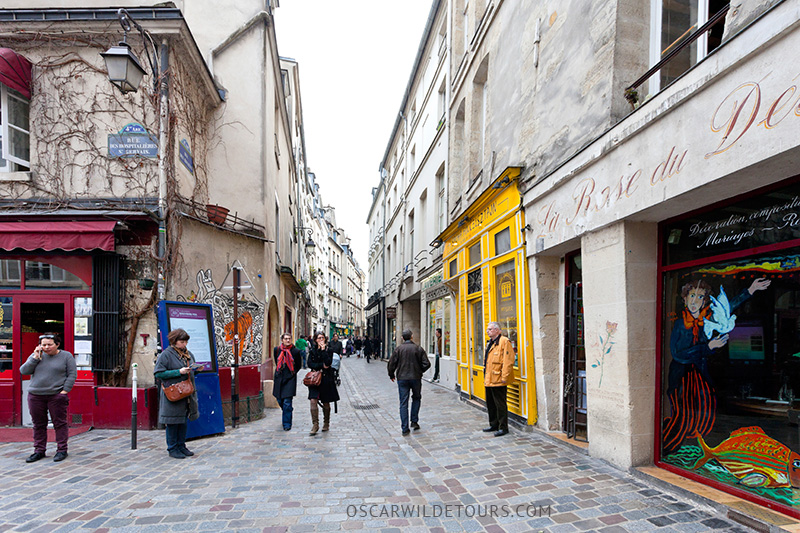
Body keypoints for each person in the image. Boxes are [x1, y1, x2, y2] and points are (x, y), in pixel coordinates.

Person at [662, 277, 770, 455]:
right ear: (684, 299)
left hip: (699, 375)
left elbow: (727, 309)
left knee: (702, 412)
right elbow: (678, 354)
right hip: (681, 377)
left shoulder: (707, 319)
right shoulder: (681, 324)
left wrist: (750, 290)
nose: (695, 301)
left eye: (700, 297)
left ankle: (687, 445)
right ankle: (667, 448)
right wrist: (708, 347)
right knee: (682, 415)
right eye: (691, 296)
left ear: (705, 300)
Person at [20, 333, 76, 463]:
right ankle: (39, 450)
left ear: (57, 344)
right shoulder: (36, 356)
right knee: (38, 424)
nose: (46, 347)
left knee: (59, 423)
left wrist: (64, 391)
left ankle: (62, 449)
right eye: (43, 344)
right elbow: (23, 371)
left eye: (49, 344)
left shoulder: (66, 356)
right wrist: (35, 357)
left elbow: (72, 374)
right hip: (35, 395)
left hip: (56, 395)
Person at [154, 328, 200, 459]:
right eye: (182, 342)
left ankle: (181, 445)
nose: (184, 344)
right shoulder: (166, 355)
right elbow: (158, 373)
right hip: (173, 393)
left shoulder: (188, 354)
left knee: (183, 421)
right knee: (173, 422)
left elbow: (191, 370)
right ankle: (172, 448)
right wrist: (178, 372)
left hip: (186, 393)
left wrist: (196, 369)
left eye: (186, 342)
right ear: (174, 341)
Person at [388, 329, 431, 436]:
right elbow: (427, 364)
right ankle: (414, 421)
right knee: (416, 398)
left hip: (402, 378)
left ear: (402, 338)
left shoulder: (398, 349)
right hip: (415, 378)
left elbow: (391, 364)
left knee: (403, 402)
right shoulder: (418, 349)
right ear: (412, 337)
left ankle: (404, 428)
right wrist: (419, 371)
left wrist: (391, 375)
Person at [483, 322, 515, 437]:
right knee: (490, 403)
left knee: (500, 404)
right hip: (489, 378)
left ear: (498, 330)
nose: (488, 331)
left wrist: (505, 377)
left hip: (499, 379)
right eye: (487, 329)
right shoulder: (490, 343)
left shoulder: (504, 341)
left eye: (490, 329)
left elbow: (508, 360)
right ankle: (493, 424)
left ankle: (503, 427)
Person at [306, 332, 340, 436]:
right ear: (315, 340)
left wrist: (324, 351)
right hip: (315, 379)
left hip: (326, 379)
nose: (321, 340)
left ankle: (326, 422)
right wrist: (321, 365)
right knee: (313, 400)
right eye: (319, 338)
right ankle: (315, 424)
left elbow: (328, 363)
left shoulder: (329, 350)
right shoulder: (312, 351)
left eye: (322, 338)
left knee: (326, 402)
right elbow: (310, 364)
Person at [273, 333, 302, 431]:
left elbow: (298, 365)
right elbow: (276, 361)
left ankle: (287, 424)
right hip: (279, 378)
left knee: (287, 402)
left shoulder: (295, 351)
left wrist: (292, 373)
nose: (288, 340)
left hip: (290, 379)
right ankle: (287, 411)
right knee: (279, 400)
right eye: (286, 339)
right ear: (282, 340)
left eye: (289, 339)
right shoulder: (277, 350)